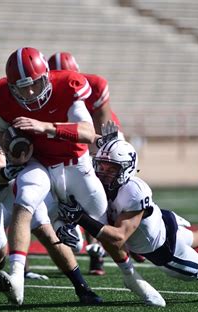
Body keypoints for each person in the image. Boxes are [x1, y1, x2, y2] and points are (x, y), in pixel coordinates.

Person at [0, 47, 163, 306]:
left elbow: (88, 130)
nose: (29, 93)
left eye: (34, 85)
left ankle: (131, 277)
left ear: (47, 77)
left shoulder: (68, 86)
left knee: (102, 219)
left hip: (76, 164)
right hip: (38, 163)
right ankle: (16, 276)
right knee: (24, 200)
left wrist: (46, 127)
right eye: (22, 88)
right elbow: (3, 133)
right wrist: (14, 154)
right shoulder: (1, 93)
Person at [58, 139, 198, 293]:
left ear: (126, 169)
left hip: (161, 246)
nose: (103, 172)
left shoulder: (133, 192)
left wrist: (80, 218)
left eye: (111, 168)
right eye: (102, 166)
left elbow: (118, 237)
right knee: (197, 238)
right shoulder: (107, 182)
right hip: (162, 222)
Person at [0, 110, 104, 304]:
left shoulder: (36, 119)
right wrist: (9, 169)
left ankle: (82, 288)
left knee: (45, 230)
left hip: (12, 183)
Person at [48, 51, 127, 275]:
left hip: (104, 136)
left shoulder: (95, 85)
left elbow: (104, 125)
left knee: (116, 189)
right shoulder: (47, 92)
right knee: (87, 195)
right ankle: (97, 254)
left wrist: (104, 154)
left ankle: (127, 233)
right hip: (74, 141)